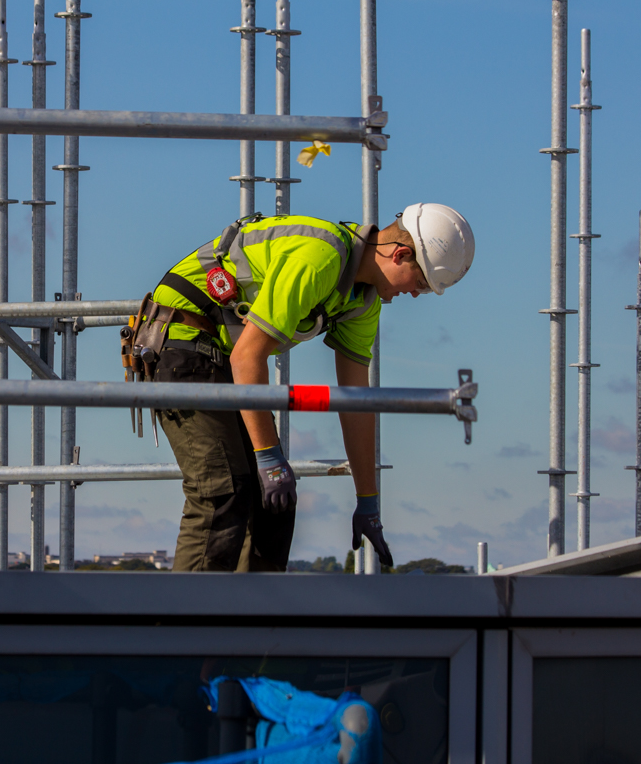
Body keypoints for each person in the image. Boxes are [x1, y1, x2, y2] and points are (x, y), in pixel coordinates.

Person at [140, 204, 474, 572]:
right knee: (222, 490)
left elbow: (356, 404)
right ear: (400, 255)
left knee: (276, 504)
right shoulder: (320, 258)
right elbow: (248, 358)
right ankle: (182, 624)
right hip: (180, 343)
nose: (414, 294)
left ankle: (250, 624)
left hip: (221, 357)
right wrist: (269, 459)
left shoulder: (362, 301)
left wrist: (369, 502)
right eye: (421, 283)